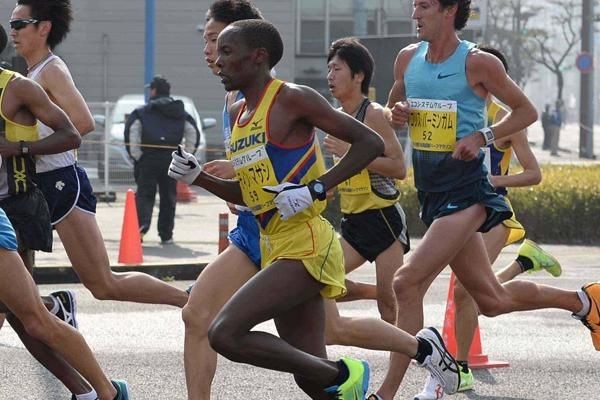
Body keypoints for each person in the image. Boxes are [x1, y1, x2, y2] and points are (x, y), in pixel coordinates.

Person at [170, 19, 461, 399]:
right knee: (311, 379)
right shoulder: (240, 115)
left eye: (226, 51)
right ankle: (393, 358)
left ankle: (346, 370)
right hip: (273, 244)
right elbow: (253, 194)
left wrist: (316, 188)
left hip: (306, 244)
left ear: (258, 57)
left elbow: (370, 143)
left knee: (225, 333)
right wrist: (198, 178)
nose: (218, 60)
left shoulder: (291, 98)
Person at [378, 1, 599, 399]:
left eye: (423, 5)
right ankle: (584, 302)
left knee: (405, 283)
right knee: (492, 300)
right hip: (432, 194)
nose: (414, 15)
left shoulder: (478, 63)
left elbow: (526, 111)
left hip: (468, 193)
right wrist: (398, 113)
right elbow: (394, 107)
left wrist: (482, 136)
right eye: (413, 5)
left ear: (449, 10)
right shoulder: (407, 59)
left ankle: (387, 393)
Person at [413, 46, 563, 400]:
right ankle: (524, 263)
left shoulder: (505, 121)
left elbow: (534, 174)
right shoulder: (456, 109)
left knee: (465, 292)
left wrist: (494, 180)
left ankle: (460, 367)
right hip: (459, 207)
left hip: (493, 212)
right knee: (477, 292)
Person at [0, 33, 129, 399]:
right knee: (26, 318)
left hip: (17, 208)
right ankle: (91, 390)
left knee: (30, 318)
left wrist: (18, 148)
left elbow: (73, 133)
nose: (17, 29)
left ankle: (102, 391)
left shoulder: (17, 88)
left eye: (22, 23)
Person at [182, 2, 264, 398]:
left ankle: (418, 348)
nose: (208, 49)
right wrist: (235, 180)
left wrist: (238, 172)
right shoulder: (232, 95)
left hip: (287, 235)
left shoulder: (272, 95)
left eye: (216, 40)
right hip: (250, 231)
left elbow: (296, 167)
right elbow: (252, 166)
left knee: (329, 332)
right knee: (197, 316)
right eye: (206, 40)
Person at [322, 37, 408, 326]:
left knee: (389, 306)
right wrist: (326, 187)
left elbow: (399, 168)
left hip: (383, 217)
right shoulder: (334, 118)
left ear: (358, 76)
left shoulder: (373, 114)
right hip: (353, 220)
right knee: (320, 280)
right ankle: (374, 291)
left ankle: (408, 351)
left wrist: (352, 153)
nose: (330, 76)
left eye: (337, 69)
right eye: (329, 69)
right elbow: (343, 170)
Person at [124, 74, 201, 244]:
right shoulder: (180, 112)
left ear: (153, 91)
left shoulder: (142, 112)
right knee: (169, 197)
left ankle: (141, 230)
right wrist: (184, 157)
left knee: (145, 195)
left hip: (148, 159)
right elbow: (193, 134)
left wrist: (138, 157)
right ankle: (166, 235)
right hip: (171, 159)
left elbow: (132, 134)